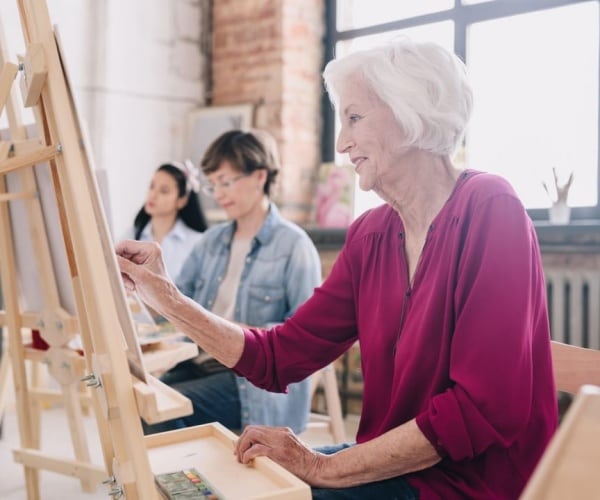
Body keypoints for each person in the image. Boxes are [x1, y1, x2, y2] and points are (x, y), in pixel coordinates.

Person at [116, 38, 558, 499]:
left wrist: (319, 466)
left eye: (354, 118)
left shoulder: (490, 207)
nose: (342, 143)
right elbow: (278, 356)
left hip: (470, 484)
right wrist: (166, 298)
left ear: (412, 112)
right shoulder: (370, 236)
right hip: (395, 467)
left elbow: (478, 410)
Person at [142, 129, 322, 435]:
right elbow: (174, 301)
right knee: (138, 400)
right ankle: (158, 484)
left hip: (250, 380)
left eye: (226, 182)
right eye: (213, 185)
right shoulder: (211, 242)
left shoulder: (294, 245)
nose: (220, 194)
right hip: (200, 361)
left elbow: (307, 339)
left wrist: (237, 332)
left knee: (158, 413)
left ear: (259, 176)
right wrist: (142, 286)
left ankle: (172, 483)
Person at [123, 161, 208, 281]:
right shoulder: (131, 236)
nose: (153, 195)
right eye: (152, 187)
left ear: (181, 201)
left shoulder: (197, 243)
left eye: (164, 191)